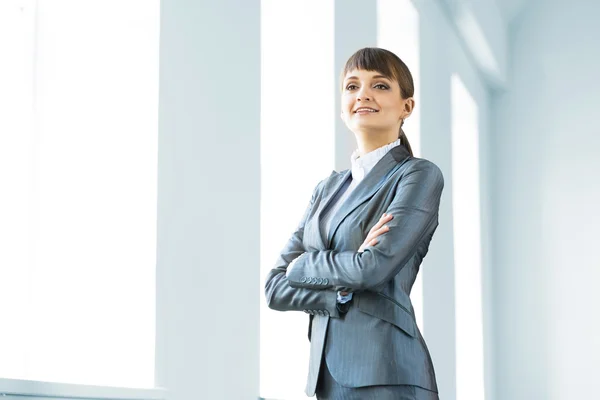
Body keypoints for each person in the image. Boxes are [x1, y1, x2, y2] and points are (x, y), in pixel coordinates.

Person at [264, 47, 444, 400]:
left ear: (406, 106)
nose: (362, 94)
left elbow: (372, 268)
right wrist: (340, 293)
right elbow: (274, 288)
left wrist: (304, 265)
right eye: (351, 86)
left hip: (388, 371)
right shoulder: (326, 189)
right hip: (327, 377)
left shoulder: (417, 175)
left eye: (379, 85)